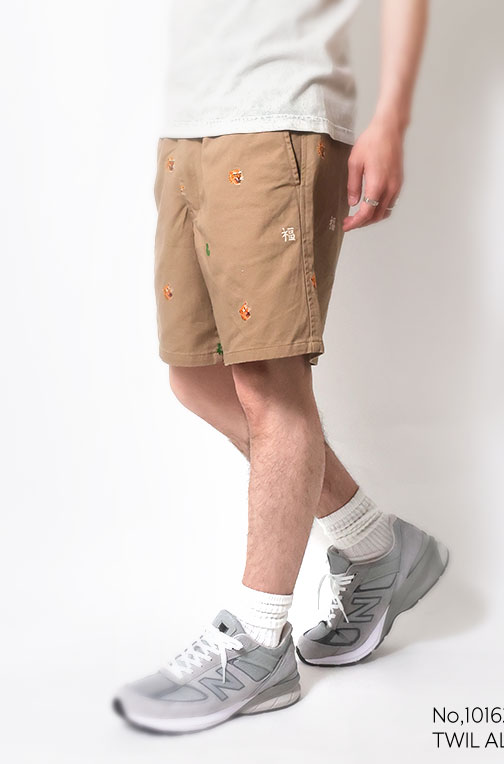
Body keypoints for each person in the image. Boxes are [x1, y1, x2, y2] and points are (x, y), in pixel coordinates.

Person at [113, 0, 448, 734]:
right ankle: (377, 544)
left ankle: (260, 642)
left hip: (277, 111)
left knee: (271, 386)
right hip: (190, 121)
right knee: (196, 376)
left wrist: (391, 119)